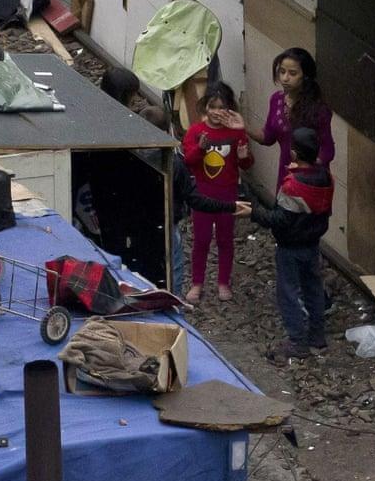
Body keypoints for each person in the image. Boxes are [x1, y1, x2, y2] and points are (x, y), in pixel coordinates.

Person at [100, 66, 238, 298]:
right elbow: (193, 193)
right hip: (166, 220)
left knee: (141, 265)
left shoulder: (134, 154)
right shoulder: (173, 162)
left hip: (137, 222)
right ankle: (171, 301)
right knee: (173, 264)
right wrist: (231, 206)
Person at [247, 127, 333, 361]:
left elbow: (280, 220)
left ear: (294, 154)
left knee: (288, 293)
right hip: (313, 243)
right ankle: (317, 336)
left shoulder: (292, 185)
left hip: (290, 247)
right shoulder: (326, 177)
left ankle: (297, 342)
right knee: (313, 289)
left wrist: (253, 212)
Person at [181, 82, 252, 304]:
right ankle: (197, 283)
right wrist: (201, 148)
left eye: (221, 107)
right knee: (200, 240)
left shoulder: (236, 132)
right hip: (202, 194)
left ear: (229, 108)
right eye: (212, 107)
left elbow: (248, 163)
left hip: (227, 193)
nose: (216, 112)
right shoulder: (195, 131)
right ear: (205, 107)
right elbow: (188, 162)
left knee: (225, 239)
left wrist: (242, 156)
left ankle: (223, 282)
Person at [247, 48, 333, 189]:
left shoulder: (319, 109)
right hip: (286, 177)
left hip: (311, 183)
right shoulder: (276, 100)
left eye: (292, 73)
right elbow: (268, 137)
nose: (285, 78)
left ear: (305, 76)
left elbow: (327, 149)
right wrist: (243, 126)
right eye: (282, 72)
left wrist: (305, 168)